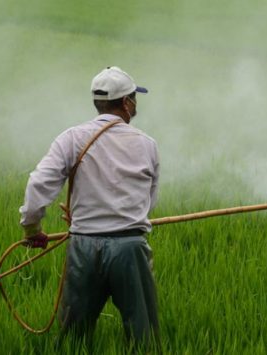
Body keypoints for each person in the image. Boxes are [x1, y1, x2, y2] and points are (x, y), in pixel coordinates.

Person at [18, 66, 160, 349]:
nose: (136, 104)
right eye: (134, 97)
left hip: (84, 247)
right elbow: (148, 201)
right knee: (143, 337)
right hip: (130, 247)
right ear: (126, 103)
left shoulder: (71, 138)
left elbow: (38, 184)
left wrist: (32, 229)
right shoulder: (147, 145)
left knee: (74, 339)